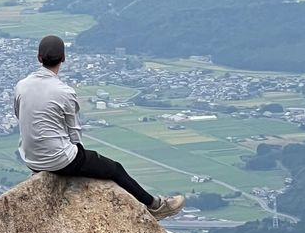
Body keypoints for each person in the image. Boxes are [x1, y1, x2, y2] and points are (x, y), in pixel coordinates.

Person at [14, 35, 185, 220]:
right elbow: (74, 131)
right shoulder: (64, 92)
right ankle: (156, 206)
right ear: (63, 58)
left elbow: (19, 115)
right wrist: (80, 160)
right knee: (115, 169)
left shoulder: (21, 86)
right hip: (60, 160)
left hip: (31, 160)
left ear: (39, 57)